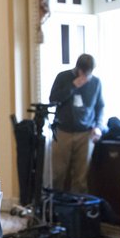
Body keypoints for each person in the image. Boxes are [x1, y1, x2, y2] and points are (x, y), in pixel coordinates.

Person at [48, 53, 104, 193]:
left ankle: (76, 212)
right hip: (62, 132)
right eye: (83, 72)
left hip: (85, 134)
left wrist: (98, 126)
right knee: (57, 175)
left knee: (80, 179)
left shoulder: (96, 82)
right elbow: (53, 99)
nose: (85, 76)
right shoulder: (63, 77)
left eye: (88, 73)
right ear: (78, 69)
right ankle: (56, 209)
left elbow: (100, 106)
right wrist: (72, 87)